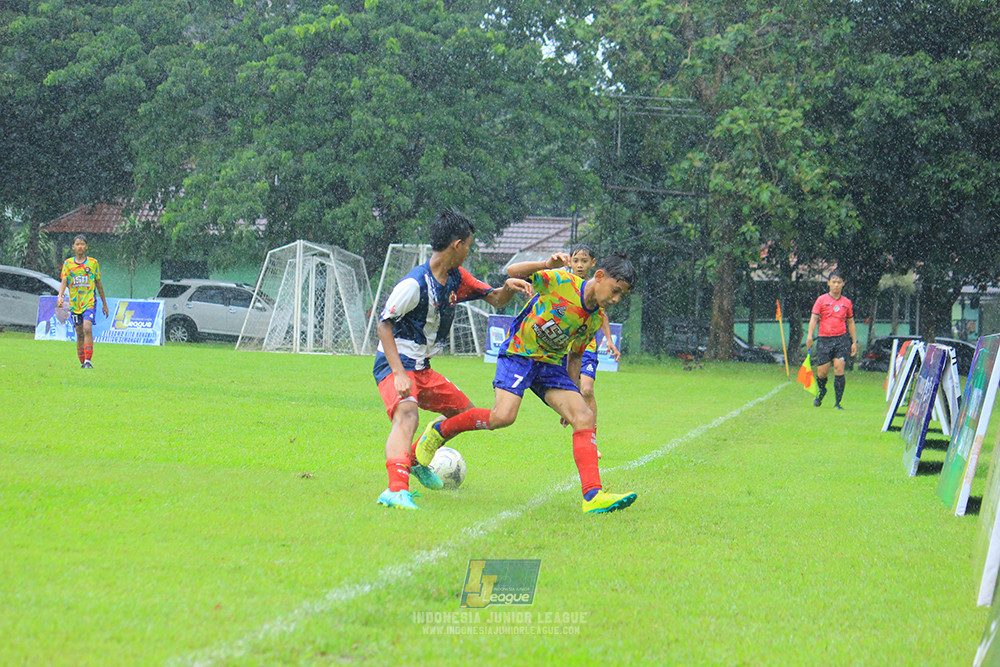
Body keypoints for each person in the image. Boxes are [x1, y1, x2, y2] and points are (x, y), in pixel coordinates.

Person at [414, 251, 639, 515]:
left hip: (549, 365)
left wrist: (573, 395)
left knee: (584, 416)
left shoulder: (593, 318)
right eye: (615, 291)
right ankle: (441, 430)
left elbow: (576, 354)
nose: (615, 299)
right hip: (518, 354)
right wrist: (546, 264)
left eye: (620, 295)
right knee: (503, 417)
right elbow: (512, 271)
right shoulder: (562, 282)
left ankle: (593, 496)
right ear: (599, 276)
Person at [374, 208, 531, 510]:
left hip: (423, 368)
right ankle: (395, 490)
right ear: (457, 245)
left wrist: (509, 288)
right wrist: (399, 374)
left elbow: (496, 298)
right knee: (407, 416)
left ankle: (418, 456)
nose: (469, 251)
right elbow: (383, 326)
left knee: (464, 414)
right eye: (469, 245)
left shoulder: (456, 277)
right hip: (396, 364)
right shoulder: (414, 284)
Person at [562, 243, 620, 432]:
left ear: (592, 263)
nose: (579, 265)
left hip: (586, 344)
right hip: (563, 345)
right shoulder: (563, 283)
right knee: (571, 391)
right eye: (576, 260)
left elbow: (601, 314)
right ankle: (570, 414)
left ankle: (591, 438)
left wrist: (609, 340)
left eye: (584, 261)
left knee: (586, 390)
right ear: (569, 262)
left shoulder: (596, 288)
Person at [805, 271, 857, 409]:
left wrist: (854, 341)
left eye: (839, 282)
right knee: (822, 373)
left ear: (843, 284)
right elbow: (814, 318)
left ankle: (838, 403)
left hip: (842, 340)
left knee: (839, 369)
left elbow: (851, 322)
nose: (836, 285)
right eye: (833, 282)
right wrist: (809, 336)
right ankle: (822, 390)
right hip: (824, 340)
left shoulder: (847, 303)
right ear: (828, 283)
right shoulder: (821, 300)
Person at [57, 235, 109, 369]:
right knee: (79, 332)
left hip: (89, 301)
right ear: (73, 247)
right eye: (77, 244)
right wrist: (60, 296)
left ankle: (88, 361)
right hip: (75, 304)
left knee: (87, 328)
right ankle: (82, 361)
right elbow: (64, 281)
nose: (80, 246)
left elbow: (98, 283)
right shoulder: (68, 264)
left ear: (86, 247)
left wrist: (104, 303)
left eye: (82, 244)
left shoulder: (93, 263)